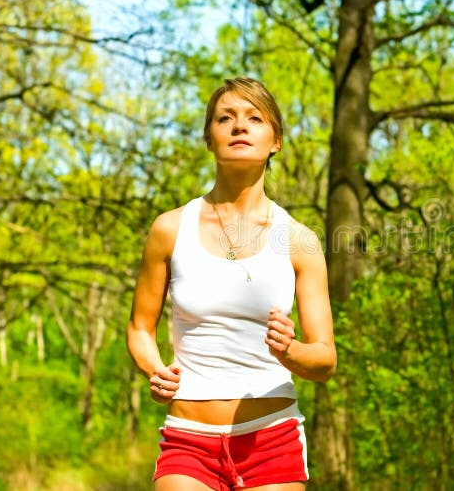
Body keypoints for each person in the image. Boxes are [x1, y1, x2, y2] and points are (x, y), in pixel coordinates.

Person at [127, 77, 337, 491]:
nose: (240, 126)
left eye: (254, 118)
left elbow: (325, 359)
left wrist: (292, 352)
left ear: (274, 140)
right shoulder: (170, 229)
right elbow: (139, 329)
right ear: (210, 139)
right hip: (188, 440)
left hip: (271, 440)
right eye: (226, 118)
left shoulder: (300, 240)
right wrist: (155, 370)